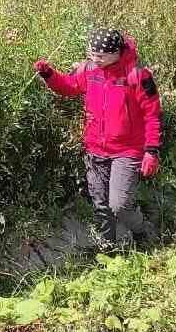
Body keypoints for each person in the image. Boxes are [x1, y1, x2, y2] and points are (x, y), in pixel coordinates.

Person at [33, 29, 162, 251]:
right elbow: (68, 87)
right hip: (95, 148)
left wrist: (151, 151)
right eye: (92, 53)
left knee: (119, 206)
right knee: (100, 204)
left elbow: (152, 115)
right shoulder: (89, 70)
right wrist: (49, 75)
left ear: (117, 53)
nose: (95, 59)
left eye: (100, 56)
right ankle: (108, 249)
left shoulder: (138, 76)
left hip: (127, 150)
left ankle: (143, 232)